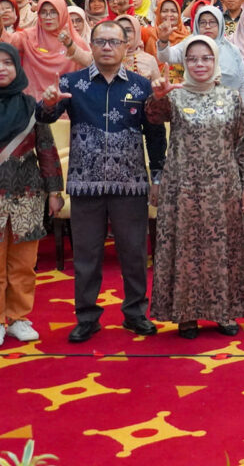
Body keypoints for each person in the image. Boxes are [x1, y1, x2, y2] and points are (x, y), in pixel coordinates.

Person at [36, 20, 166, 343]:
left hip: (131, 184)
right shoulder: (72, 82)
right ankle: (87, 317)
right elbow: (45, 117)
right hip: (85, 184)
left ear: (126, 46)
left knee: (134, 253)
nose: (107, 47)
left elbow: (154, 134)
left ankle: (136, 313)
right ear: (90, 46)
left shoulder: (141, 86)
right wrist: (48, 103)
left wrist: (159, 175)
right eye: (101, 41)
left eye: (114, 41)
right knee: (86, 255)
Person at [146, 36, 244, 339]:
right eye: (192, 58)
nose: (199, 64)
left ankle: (223, 312)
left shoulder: (232, 97)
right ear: (184, 63)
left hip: (223, 188)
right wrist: (157, 96)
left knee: (223, 251)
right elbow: (152, 117)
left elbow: (242, 144)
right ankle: (186, 315)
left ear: (216, 61)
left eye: (206, 58)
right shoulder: (175, 96)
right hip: (182, 189)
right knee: (185, 250)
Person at [0, 43, 63, 345]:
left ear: (18, 67)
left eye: (7, 63)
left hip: (28, 196)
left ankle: (18, 317)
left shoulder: (31, 107)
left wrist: (54, 191)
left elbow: (47, 151)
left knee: (24, 263)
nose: (2, 68)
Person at [10, 0, 92, 96]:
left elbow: (90, 68)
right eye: (43, 12)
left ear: (62, 14)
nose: (48, 17)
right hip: (32, 103)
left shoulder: (75, 42)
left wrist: (69, 45)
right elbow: (7, 41)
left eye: (53, 12)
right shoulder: (28, 36)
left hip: (66, 101)